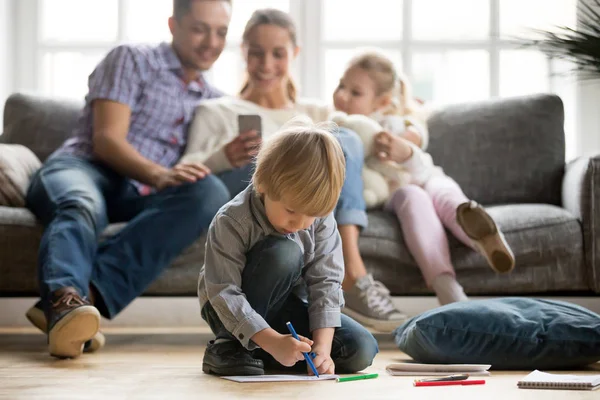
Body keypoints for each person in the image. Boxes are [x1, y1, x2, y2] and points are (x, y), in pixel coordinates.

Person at [24, 0, 233, 358]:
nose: (211, 42)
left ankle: (73, 306)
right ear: (173, 24)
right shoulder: (132, 59)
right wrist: (160, 174)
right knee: (80, 204)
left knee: (208, 192)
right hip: (84, 168)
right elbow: (107, 141)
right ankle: (62, 302)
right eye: (200, 28)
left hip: (142, 192)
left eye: (221, 32)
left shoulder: (216, 102)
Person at [181, 8, 406, 333]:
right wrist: (222, 157)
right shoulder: (217, 111)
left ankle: (350, 270)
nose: (266, 64)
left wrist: (406, 127)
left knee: (344, 137)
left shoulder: (316, 112)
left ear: (295, 54)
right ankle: (352, 277)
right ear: (242, 53)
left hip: (306, 210)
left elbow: (360, 145)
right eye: (256, 53)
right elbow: (186, 177)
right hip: (250, 200)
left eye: (278, 53)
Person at [332, 50, 515, 306]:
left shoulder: (400, 122)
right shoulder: (344, 132)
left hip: (426, 175)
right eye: (341, 86)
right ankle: (447, 286)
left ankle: (485, 237)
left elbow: (417, 144)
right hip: (398, 190)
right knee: (414, 198)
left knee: (448, 198)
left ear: (383, 102)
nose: (342, 95)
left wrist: (404, 148)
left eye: (355, 92)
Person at [199, 117, 378, 376]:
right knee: (285, 252)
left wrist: (322, 351)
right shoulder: (232, 220)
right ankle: (230, 347)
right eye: (292, 210)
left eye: (312, 215)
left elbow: (326, 282)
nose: (301, 224)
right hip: (227, 309)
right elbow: (223, 292)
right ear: (263, 184)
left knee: (360, 349)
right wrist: (272, 340)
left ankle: (267, 353)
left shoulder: (318, 218)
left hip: (285, 306)